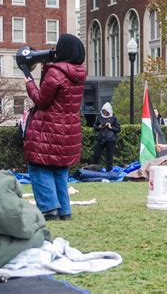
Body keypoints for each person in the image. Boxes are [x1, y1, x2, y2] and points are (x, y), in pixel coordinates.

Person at [23, 33, 86, 221]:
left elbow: (42, 101)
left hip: (49, 127)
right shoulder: (78, 73)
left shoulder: (56, 73)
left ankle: (49, 208)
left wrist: (29, 84)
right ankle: (64, 210)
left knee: (38, 165)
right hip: (69, 130)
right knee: (59, 168)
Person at [92, 102, 121, 171]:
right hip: (100, 139)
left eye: (106, 111)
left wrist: (111, 127)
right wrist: (99, 127)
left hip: (110, 140)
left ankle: (109, 170)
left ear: (109, 111)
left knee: (109, 156)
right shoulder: (99, 118)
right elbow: (95, 127)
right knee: (96, 155)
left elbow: (118, 129)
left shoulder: (114, 118)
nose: (105, 113)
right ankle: (94, 170)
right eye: (104, 111)